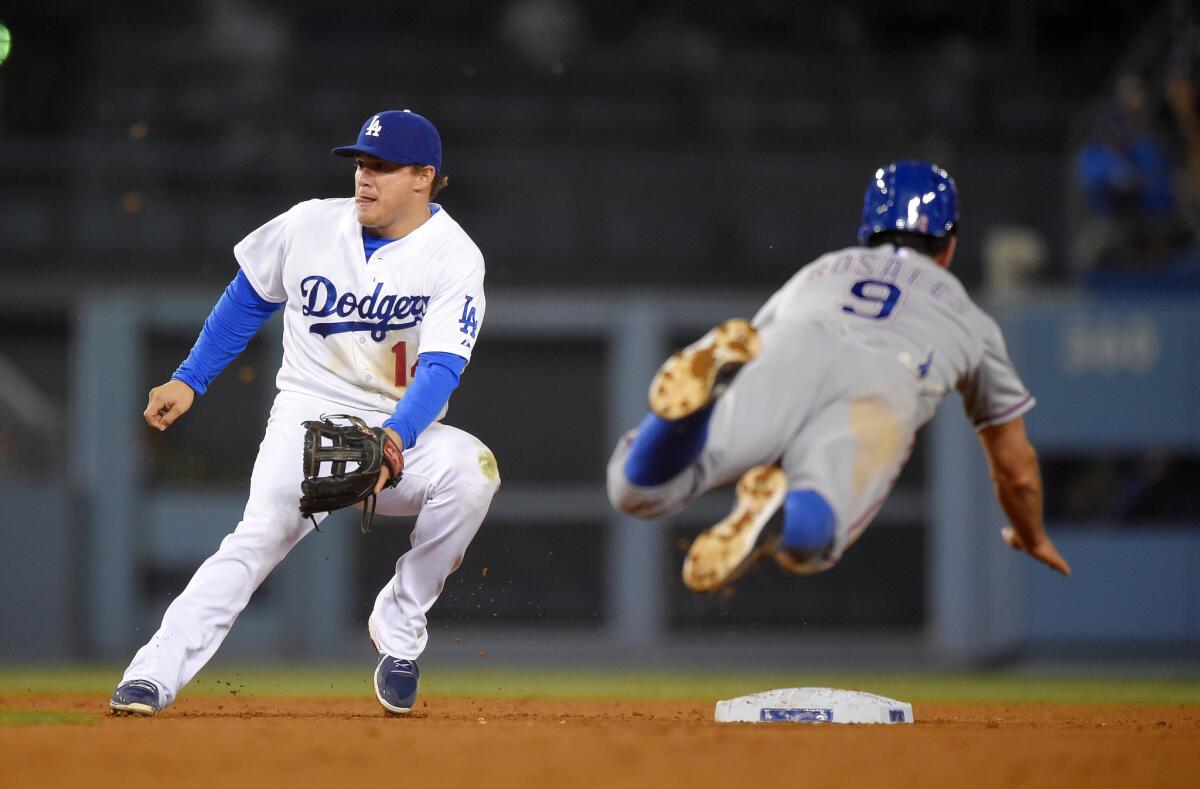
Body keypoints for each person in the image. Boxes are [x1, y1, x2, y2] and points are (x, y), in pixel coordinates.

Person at [109, 110, 501, 717]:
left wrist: (395, 440)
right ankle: (151, 675)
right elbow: (247, 298)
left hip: (401, 425)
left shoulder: (454, 257)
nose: (364, 179)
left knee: (474, 472)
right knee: (258, 535)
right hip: (308, 416)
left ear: (425, 178)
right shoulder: (309, 224)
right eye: (361, 165)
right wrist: (190, 379)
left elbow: (442, 369)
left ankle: (399, 626)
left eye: (383, 168)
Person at [607, 161, 1070, 592]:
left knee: (636, 490)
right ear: (949, 245)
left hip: (796, 342)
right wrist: (1031, 535)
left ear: (867, 229)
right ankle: (777, 520)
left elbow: (758, 345)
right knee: (814, 539)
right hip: (885, 381)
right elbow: (1015, 470)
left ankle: (689, 414)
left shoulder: (823, 269)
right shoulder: (974, 322)